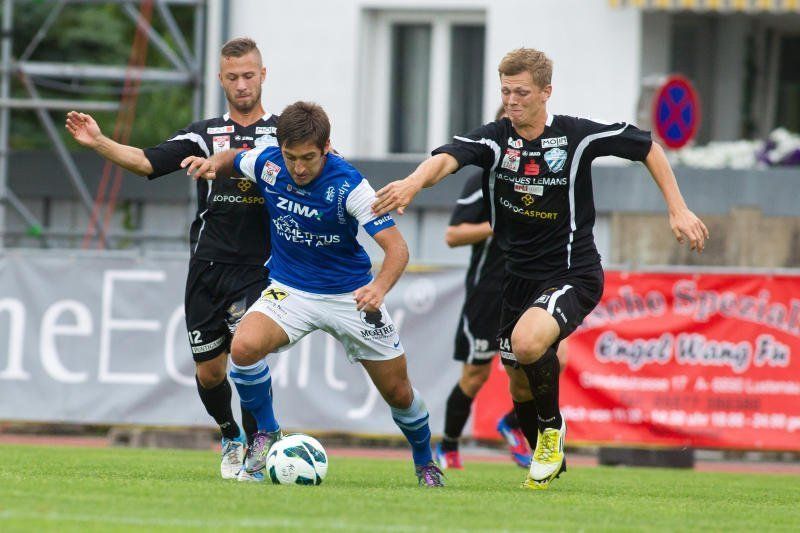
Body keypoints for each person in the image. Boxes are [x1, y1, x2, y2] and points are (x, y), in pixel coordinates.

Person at [373, 48, 708, 490]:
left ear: (546, 92)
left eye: (522, 93)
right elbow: (447, 160)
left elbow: (648, 147)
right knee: (518, 384)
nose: (512, 101)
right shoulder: (496, 140)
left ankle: (551, 434)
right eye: (506, 92)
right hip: (516, 280)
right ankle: (545, 454)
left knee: (528, 343)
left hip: (573, 273)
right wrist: (413, 181)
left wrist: (678, 208)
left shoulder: (576, 136)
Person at [182, 101, 445, 487]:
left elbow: (397, 249)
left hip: (349, 296)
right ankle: (267, 432)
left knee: (398, 392)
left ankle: (425, 463)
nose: (299, 168)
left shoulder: (350, 185)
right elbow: (234, 157)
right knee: (244, 348)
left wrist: (378, 288)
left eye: (308, 158)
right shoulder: (269, 163)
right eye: (291, 157)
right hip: (291, 290)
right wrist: (212, 164)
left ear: (326, 148)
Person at [65, 37, 280, 479]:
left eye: (249, 75)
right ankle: (230, 435)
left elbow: (322, 162)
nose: (242, 85)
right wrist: (99, 141)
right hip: (206, 267)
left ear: (263, 75)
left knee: (247, 356)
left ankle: (260, 446)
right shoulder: (202, 135)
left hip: (259, 268)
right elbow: (146, 162)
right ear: (221, 79)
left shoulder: (283, 134)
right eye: (233, 77)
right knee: (210, 372)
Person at [436, 106, 570, 471]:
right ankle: (447, 446)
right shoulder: (485, 178)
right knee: (475, 375)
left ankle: (513, 424)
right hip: (489, 292)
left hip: (531, 287)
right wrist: (501, 223)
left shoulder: (546, 176)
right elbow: (452, 235)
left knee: (554, 359)